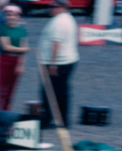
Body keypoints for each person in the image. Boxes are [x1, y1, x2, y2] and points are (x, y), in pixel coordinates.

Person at [38, 0, 79, 128]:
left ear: (62, 7)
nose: (50, 9)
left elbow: (56, 43)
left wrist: (52, 64)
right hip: (66, 60)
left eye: (53, 6)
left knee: (50, 92)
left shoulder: (59, 22)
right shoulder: (68, 18)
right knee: (61, 91)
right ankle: (61, 119)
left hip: (58, 62)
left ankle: (49, 118)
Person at [0, 4, 28, 111]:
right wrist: (22, 49)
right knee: (0, 87)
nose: (11, 17)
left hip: (16, 61)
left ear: (18, 16)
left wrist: (21, 64)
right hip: (4, 59)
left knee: (11, 89)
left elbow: (24, 47)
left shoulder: (22, 30)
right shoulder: (2, 29)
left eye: (14, 15)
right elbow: (6, 46)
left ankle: (5, 110)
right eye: (8, 15)